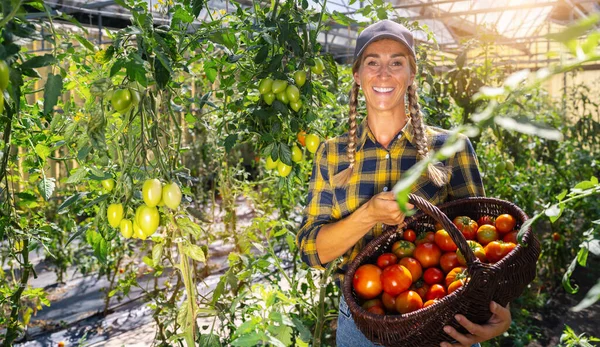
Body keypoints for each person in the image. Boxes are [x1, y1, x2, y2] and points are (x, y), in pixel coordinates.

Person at [296, 20, 512, 347]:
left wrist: (498, 311)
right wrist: (367, 215)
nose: (384, 74)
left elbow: (482, 245)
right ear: (357, 74)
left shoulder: (451, 149)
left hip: (441, 320)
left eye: (396, 63)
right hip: (360, 328)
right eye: (373, 62)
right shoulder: (332, 155)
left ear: (412, 75)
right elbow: (311, 250)